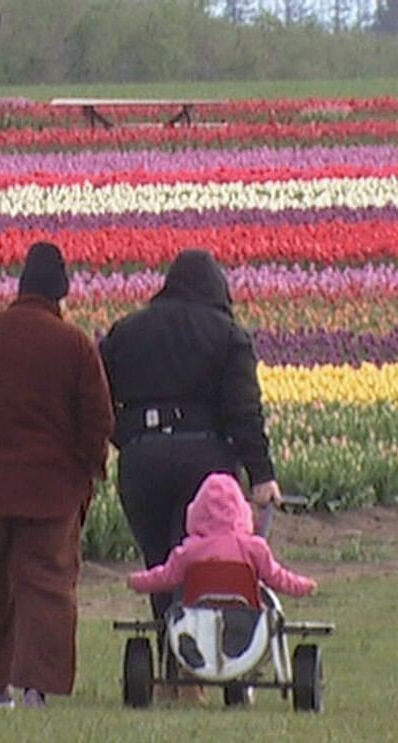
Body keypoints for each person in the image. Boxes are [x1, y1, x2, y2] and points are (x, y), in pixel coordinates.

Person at [0, 242, 114, 710]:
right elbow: (97, 418)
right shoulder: (72, 344)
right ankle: (36, 686)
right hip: (50, 490)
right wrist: (89, 468)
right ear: (61, 294)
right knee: (45, 584)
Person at [99, 248, 282, 700]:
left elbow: (98, 394)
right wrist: (261, 474)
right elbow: (244, 412)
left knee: (162, 563)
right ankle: (204, 665)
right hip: (205, 459)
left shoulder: (127, 331)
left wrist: (126, 438)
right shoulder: (226, 335)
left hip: (142, 459)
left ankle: (171, 663)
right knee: (207, 559)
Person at [127, 472, 317, 599]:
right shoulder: (254, 548)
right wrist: (304, 585)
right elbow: (277, 577)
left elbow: (165, 577)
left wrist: (138, 581)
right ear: (242, 510)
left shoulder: (189, 551)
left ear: (196, 512)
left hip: (199, 624)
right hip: (245, 625)